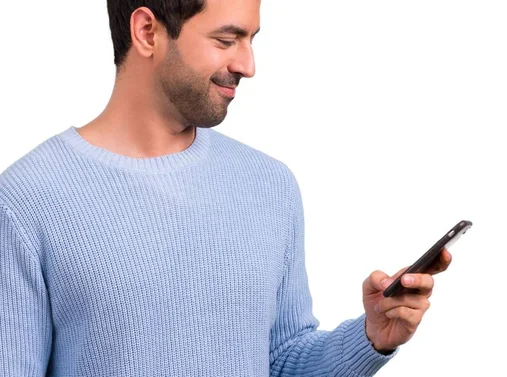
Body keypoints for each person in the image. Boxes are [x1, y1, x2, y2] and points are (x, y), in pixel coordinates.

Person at [0, 0, 452, 375]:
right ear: (147, 32)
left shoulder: (268, 186)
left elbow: (280, 361)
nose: (248, 65)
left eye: (251, 40)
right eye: (226, 39)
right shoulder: (26, 200)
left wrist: (371, 337)